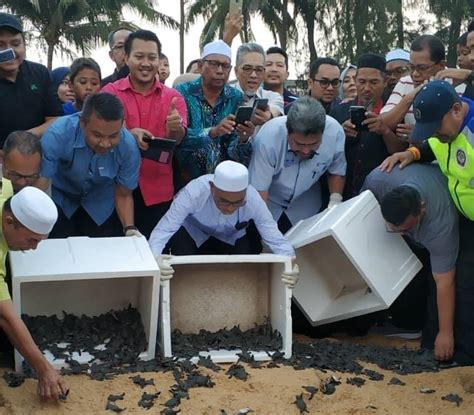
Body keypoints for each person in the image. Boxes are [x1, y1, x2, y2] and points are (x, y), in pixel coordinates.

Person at [362, 164, 458, 362]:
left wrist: (445, 334)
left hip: (449, 203)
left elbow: (445, 282)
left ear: (422, 208)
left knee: (433, 277)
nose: (400, 232)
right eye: (394, 227)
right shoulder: (378, 180)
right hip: (404, 184)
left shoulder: (441, 225)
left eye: (405, 228)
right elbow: (359, 211)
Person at [102, 30, 187, 239]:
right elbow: (99, 132)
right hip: (114, 190)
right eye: (139, 57)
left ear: (159, 60)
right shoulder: (109, 93)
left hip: (158, 191)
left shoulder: (174, 97)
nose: (146, 63)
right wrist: (129, 134)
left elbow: (178, 139)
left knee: (157, 253)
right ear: (126, 58)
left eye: (152, 57)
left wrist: (175, 129)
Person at [37, 92, 141, 238]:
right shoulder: (57, 134)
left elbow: (123, 194)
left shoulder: (128, 147)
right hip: (60, 201)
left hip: (100, 205)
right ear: (82, 122)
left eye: (113, 136)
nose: (105, 144)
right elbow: (41, 185)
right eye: (97, 135)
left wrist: (129, 229)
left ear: (123, 123)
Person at [149, 161, 295, 257]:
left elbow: (274, 236)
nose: (230, 208)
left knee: (245, 267)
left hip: (231, 235)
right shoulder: (194, 192)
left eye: (238, 203)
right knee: (181, 259)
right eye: (223, 201)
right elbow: (164, 229)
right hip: (193, 230)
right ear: (212, 187)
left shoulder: (253, 199)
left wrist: (290, 262)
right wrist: (155, 259)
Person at [0, 186, 67, 399]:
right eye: (31, 240)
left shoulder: (6, 190)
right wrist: (45, 369)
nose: (34, 248)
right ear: (9, 222)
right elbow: (6, 318)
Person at [249, 96, 346, 232]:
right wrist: (266, 233)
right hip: (270, 201)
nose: (306, 150)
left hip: (306, 205)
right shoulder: (269, 136)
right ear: (287, 131)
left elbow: (337, 170)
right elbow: (260, 190)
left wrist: (334, 203)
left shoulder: (335, 132)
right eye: (299, 144)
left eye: (314, 144)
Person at [381, 80, 474, 219]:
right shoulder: (447, 131)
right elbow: (434, 147)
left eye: (436, 128)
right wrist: (412, 154)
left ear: (457, 110)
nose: (433, 135)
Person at [175, 40, 253, 188]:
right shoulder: (182, 92)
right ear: (200, 65)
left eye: (225, 66)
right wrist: (213, 132)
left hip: (222, 184)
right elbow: (178, 138)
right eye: (213, 64)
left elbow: (236, 154)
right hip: (186, 181)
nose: (219, 70)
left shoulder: (235, 97)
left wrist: (243, 139)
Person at [330, 53, 406, 199]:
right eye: (362, 81)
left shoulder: (397, 111)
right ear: (355, 80)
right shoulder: (339, 111)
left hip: (383, 193)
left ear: (385, 82)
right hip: (344, 193)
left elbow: (401, 151)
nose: (366, 88)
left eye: (374, 82)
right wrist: (340, 133)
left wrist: (385, 131)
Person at [0, 12, 63, 149]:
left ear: (24, 45)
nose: (9, 51)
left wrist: (22, 140)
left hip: (37, 155)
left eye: (16, 44)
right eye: (1, 45)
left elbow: (55, 119)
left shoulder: (40, 73)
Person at [380, 35, 448, 138]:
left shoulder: (457, 84)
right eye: (411, 67)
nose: (415, 74)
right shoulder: (405, 82)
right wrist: (409, 98)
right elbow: (383, 123)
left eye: (422, 68)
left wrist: (421, 133)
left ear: (441, 66)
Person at [234, 43, 284, 122]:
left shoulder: (272, 97)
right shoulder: (223, 97)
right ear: (236, 71)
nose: (253, 75)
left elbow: (276, 109)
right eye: (247, 69)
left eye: (259, 70)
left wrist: (269, 115)